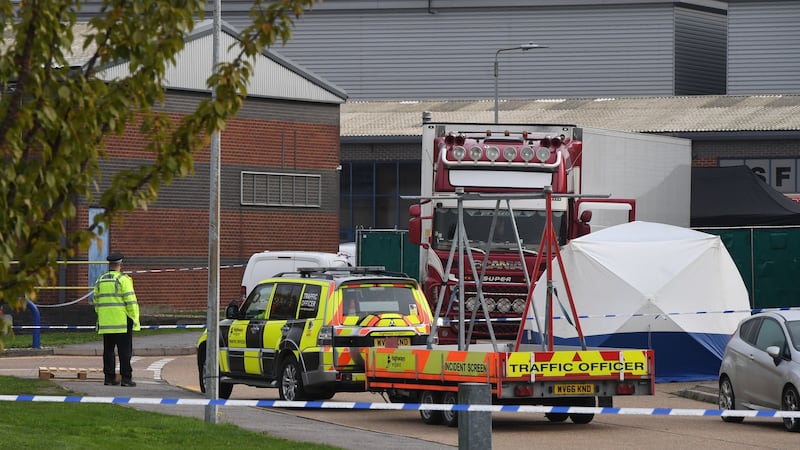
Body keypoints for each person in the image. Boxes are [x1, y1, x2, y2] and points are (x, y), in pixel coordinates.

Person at [93, 252, 141, 387]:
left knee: (108, 351)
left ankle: (109, 378)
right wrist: (134, 318)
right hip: (122, 322)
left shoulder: (100, 280)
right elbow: (131, 301)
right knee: (124, 352)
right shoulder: (123, 279)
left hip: (106, 323)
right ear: (120, 264)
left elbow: (96, 301)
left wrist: (102, 316)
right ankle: (126, 378)